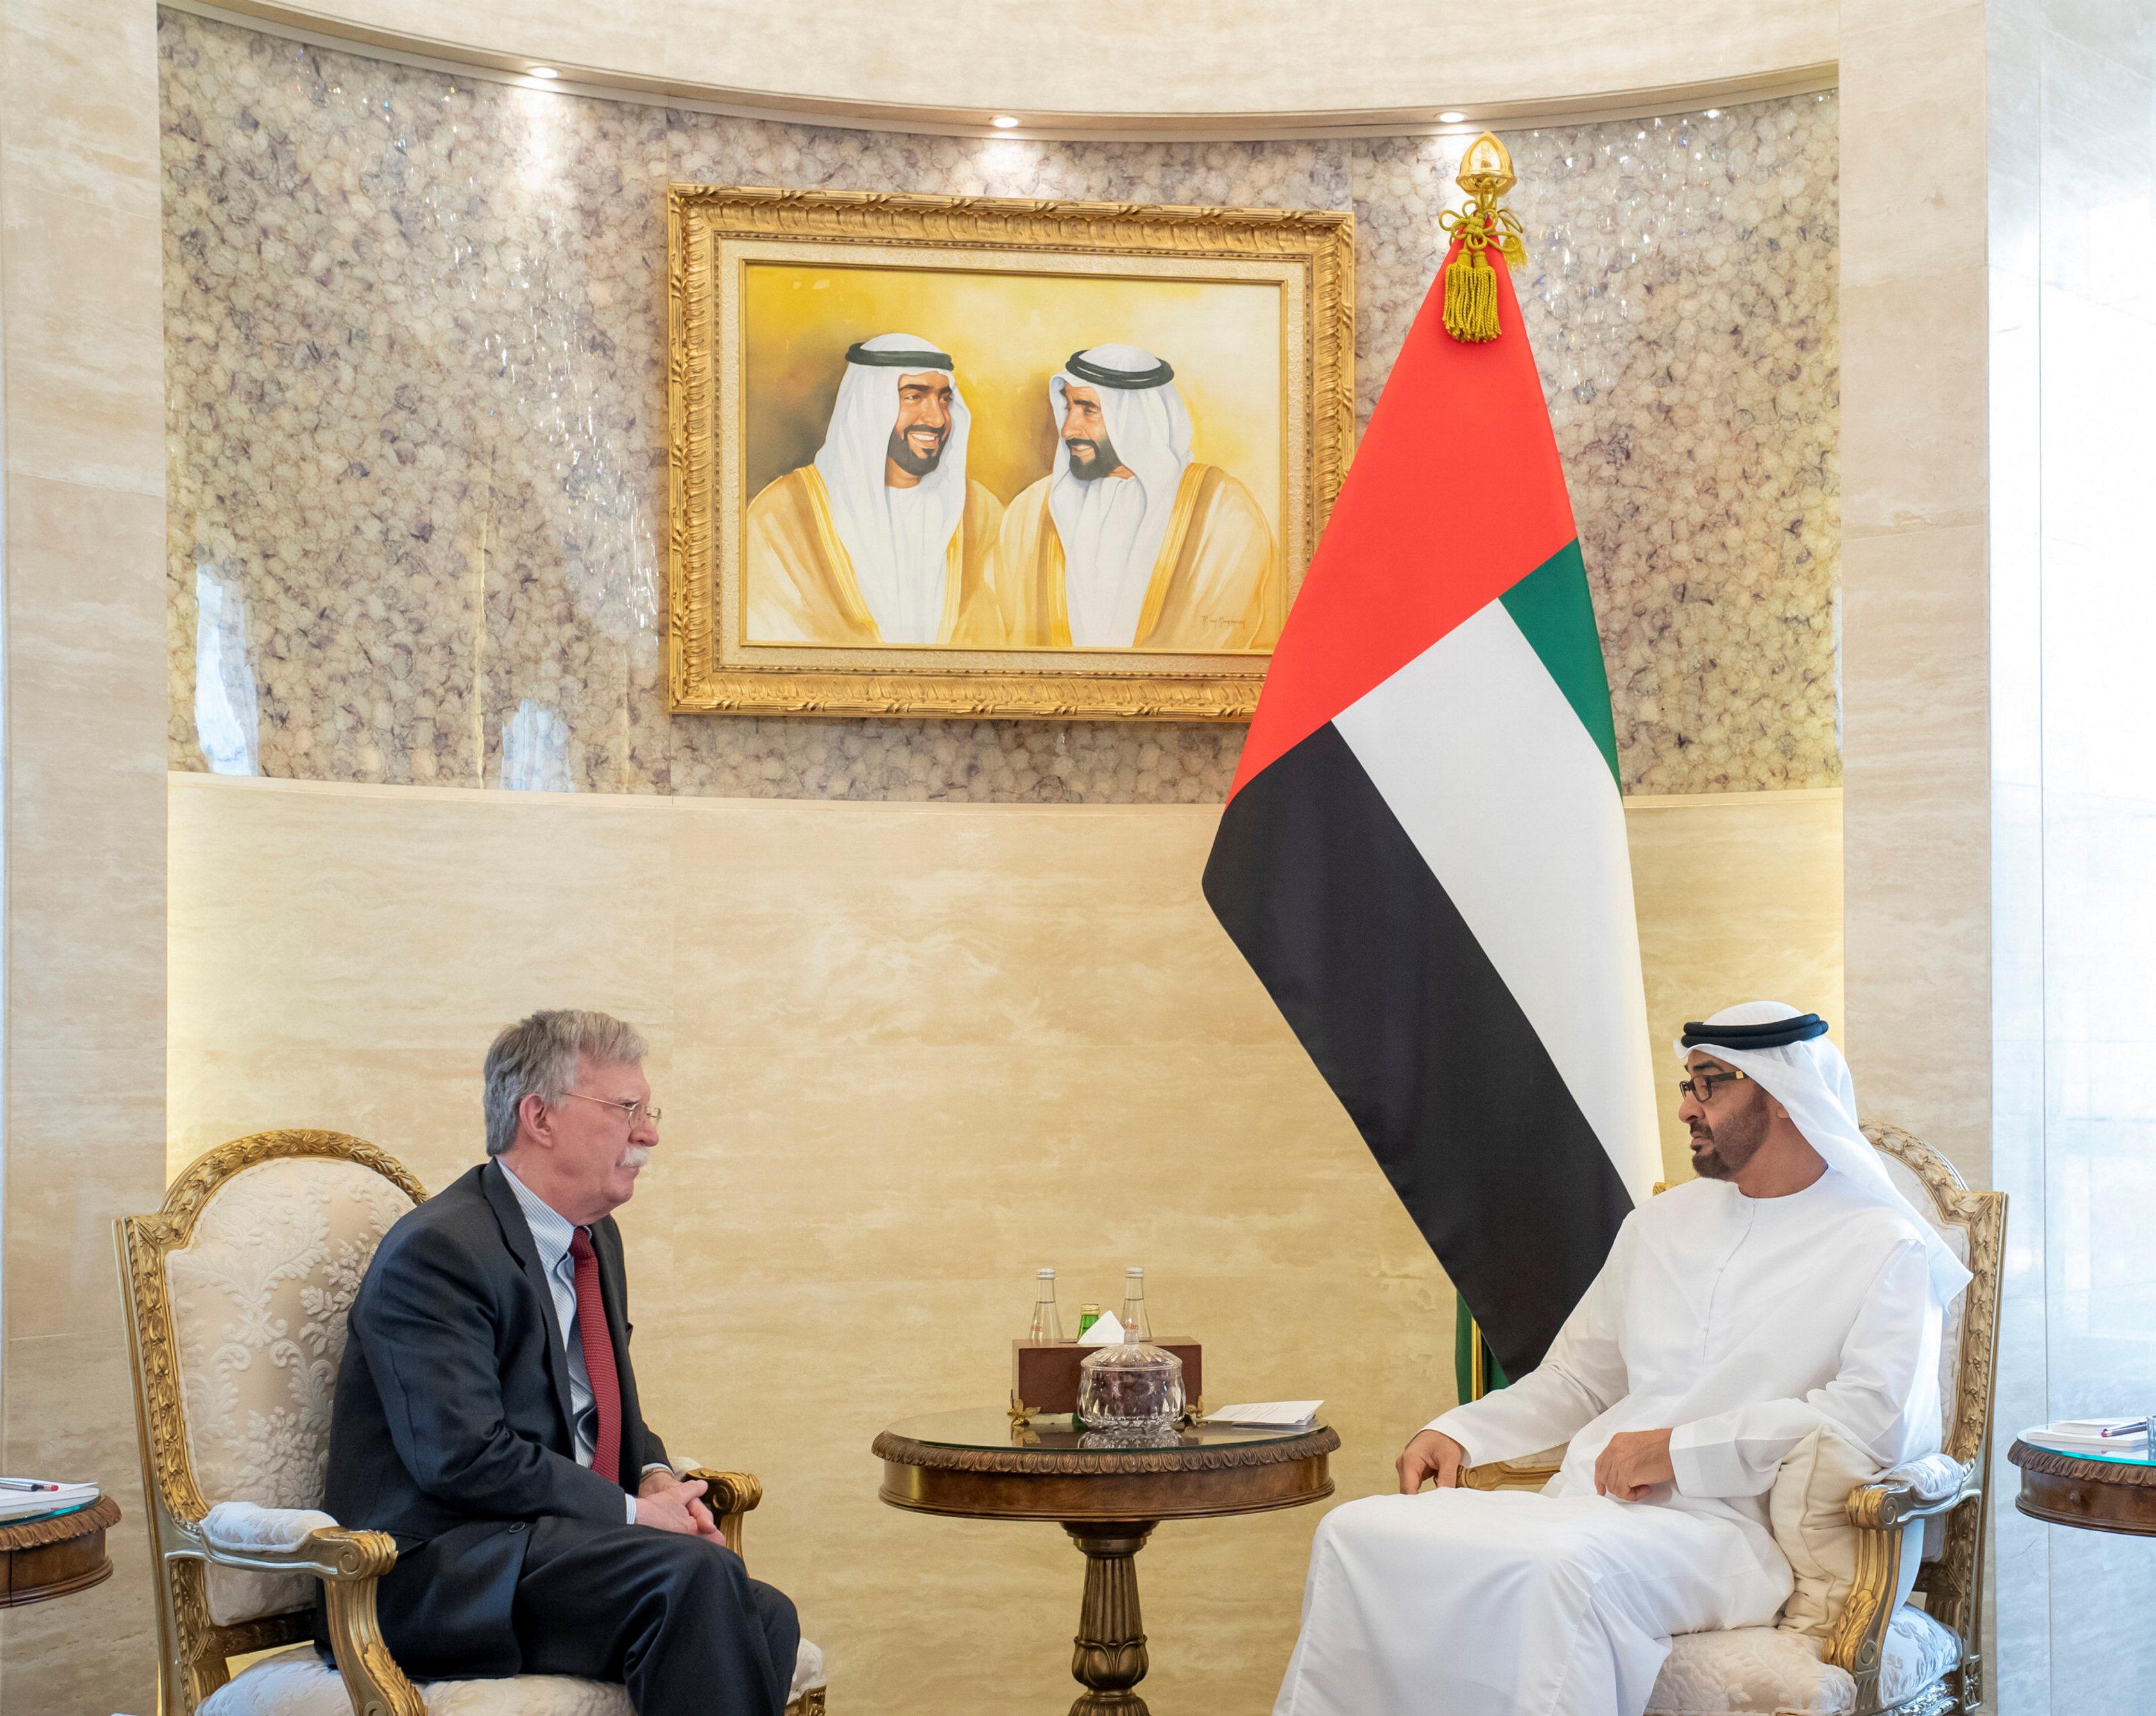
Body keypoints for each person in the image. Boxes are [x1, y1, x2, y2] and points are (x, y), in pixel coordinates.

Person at [1270, 1000, 1972, 1716]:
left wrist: (1680, 1451)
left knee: (1558, 1571)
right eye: (1685, 1085)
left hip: (1730, 1534)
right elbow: (1576, 1378)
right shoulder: (1659, 1225)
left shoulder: (1884, 1244)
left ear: (1786, 1096)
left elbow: (1871, 1421)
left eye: (1710, 1084)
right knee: (1359, 1534)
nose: (1686, 1109)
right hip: (1589, 1508)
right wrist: (1461, 1431)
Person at [320, 1010, 800, 1716]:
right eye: (625, 1109)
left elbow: (598, 1410)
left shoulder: (593, 1239)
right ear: (539, 1117)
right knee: (694, 1576)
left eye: (647, 1109)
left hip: (546, 1551)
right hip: (431, 1571)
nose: (649, 1132)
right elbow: (459, 1455)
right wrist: (637, 1515)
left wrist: (656, 1476)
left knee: (768, 1612)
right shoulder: (441, 1250)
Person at [992, 343, 1279, 650]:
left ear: (1138, 419)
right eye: (1069, 407)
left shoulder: (1222, 511)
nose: (1068, 429)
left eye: (1089, 410)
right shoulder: (1030, 510)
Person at [744, 332, 1004, 646]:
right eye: (914, 397)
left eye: (944, 399)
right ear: (869, 405)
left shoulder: (980, 512)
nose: (937, 418)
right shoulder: (781, 515)